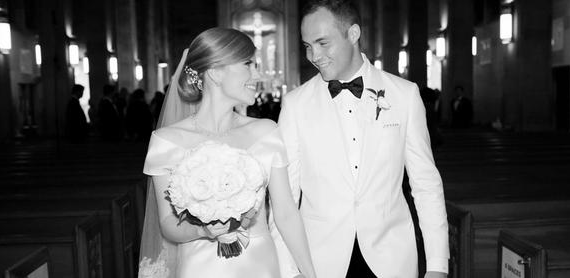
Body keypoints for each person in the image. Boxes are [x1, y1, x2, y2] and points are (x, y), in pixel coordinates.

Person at [276, 1, 450, 277]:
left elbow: (426, 185)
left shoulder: (404, 95)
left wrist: (438, 265)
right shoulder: (295, 105)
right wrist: (289, 271)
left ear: (353, 34)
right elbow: (283, 198)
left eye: (322, 43)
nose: (313, 55)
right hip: (319, 263)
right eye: (308, 45)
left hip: (391, 259)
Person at [137, 27, 316, 278]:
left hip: (261, 267)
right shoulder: (165, 142)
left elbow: (286, 213)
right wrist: (203, 231)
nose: (257, 74)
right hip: (200, 269)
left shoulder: (267, 131)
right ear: (215, 72)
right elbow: (167, 224)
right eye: (248, 64)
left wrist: (310, 273)